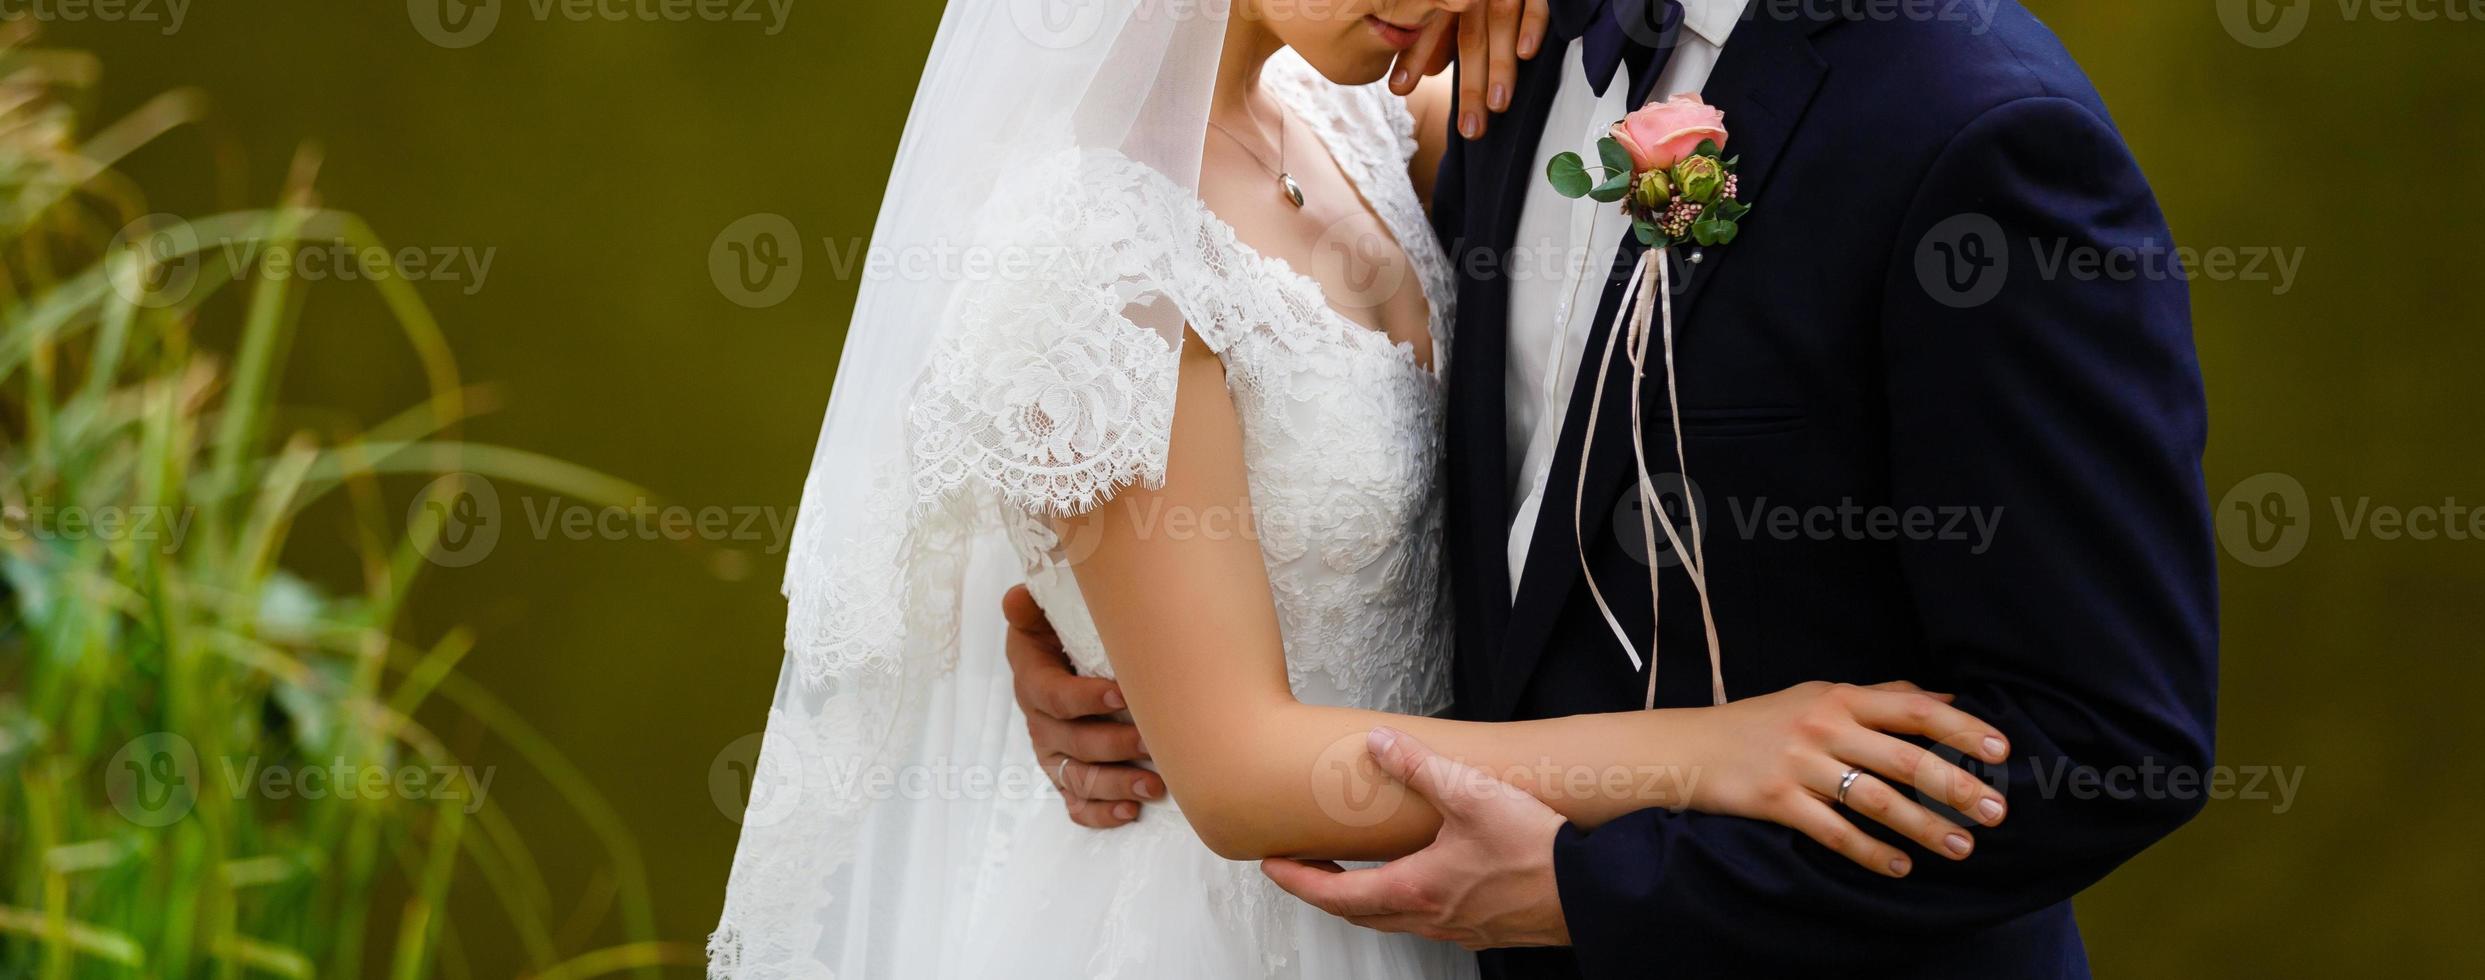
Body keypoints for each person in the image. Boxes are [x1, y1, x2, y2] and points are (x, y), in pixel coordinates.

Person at [709, 1, 2045, 978]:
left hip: (1438, 900)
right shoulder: (1091, 250)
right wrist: (1719, 755)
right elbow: (1233, 776)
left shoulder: (1359, 120)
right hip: (1224, 920)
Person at [1008, 0, 2220, 977]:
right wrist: (1099, 641)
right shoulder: (1490, 51)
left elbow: (2111, 739)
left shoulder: (1977, 126)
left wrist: (1607, 892)